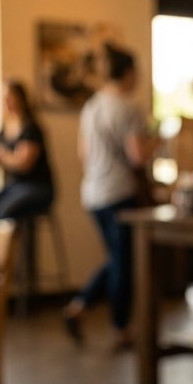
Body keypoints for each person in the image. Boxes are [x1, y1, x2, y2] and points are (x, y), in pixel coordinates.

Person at [62, 44, 157, 348]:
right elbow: (138, 157)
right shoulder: (127, 108)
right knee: (123, 263)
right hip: (119, 193)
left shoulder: (92, 106)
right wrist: (159, 142)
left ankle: (80, 306)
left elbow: (83, 153)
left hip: (93, 192)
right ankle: (119, 327)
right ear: (129, 73)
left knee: (116, 259)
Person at [0, 80, 55, 220]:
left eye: (9, 97)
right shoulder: (4, 129)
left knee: (1, 214)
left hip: (37, 187)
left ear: (20, 99)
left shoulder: (31, 129)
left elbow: (23, 164)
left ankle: (9, 242)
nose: (5, 102)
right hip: (14, 186)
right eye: (3, 98)